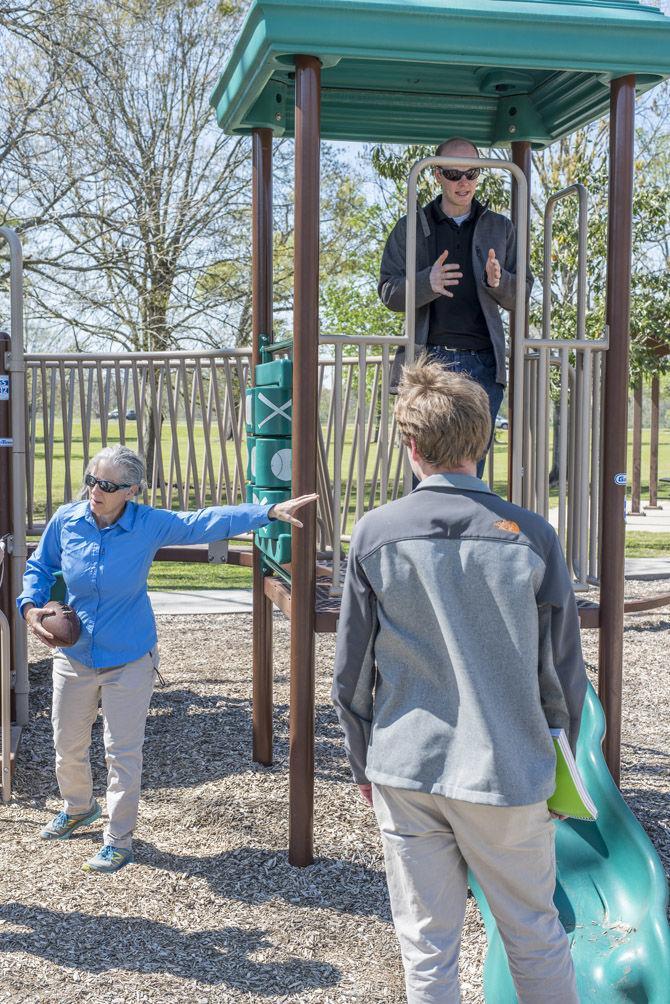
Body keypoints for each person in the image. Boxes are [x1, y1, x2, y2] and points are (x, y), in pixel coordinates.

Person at [332, 359, 586, 1003]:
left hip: (405, 766)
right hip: (506, 768)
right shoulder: (532, 536)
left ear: (409, 446)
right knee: (534, 933)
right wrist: (562, 771)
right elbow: (560, 676)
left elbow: (351, 675)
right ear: (483, 441)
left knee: (426, 947)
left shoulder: (373, 534)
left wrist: (364, 763)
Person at [18, 444, 316, 875]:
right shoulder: (67, 520)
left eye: (106, 485)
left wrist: (266, 511)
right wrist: (30, 608)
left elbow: (202, 521)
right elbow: (39, 567)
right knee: (67, 745)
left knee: (121, 752)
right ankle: (78, 807)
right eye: (90, 480)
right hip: (74, 656)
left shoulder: (148, 524)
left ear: (132, 490)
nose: (94, 491)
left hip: (130, 657)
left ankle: (118, 840)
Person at [378, 136, 533, 477]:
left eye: (472, 173)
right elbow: (388, 291)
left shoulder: (500, 227)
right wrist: (425, 283)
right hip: (427, 367)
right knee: (427, 469)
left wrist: (499, 281)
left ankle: (468, 532)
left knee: (469, 471)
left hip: (483, 365)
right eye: (452, 174)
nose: (463, 182)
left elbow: (522, 293)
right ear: (436, 175)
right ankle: (424, 532)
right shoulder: (412, 227)